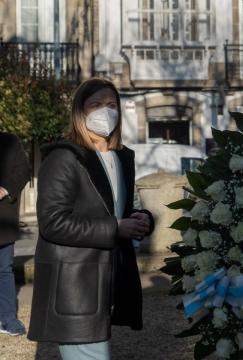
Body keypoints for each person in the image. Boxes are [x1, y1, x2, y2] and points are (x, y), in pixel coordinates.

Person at [27, 78, 155, 359]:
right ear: (79, 112)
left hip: (106, 280)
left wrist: (140, 219)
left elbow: (115, 210)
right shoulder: (64, 157)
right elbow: (53, 222)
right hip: (74, 285)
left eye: (111, 105)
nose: (105, 111)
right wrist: (116, 227)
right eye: (95, 105)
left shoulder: (119, 158)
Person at [0, 132, 31, 336]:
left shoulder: (9, 140)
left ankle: (9, 318)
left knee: (4, 270)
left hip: (3, 219)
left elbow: (24, 171)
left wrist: (5, 189)